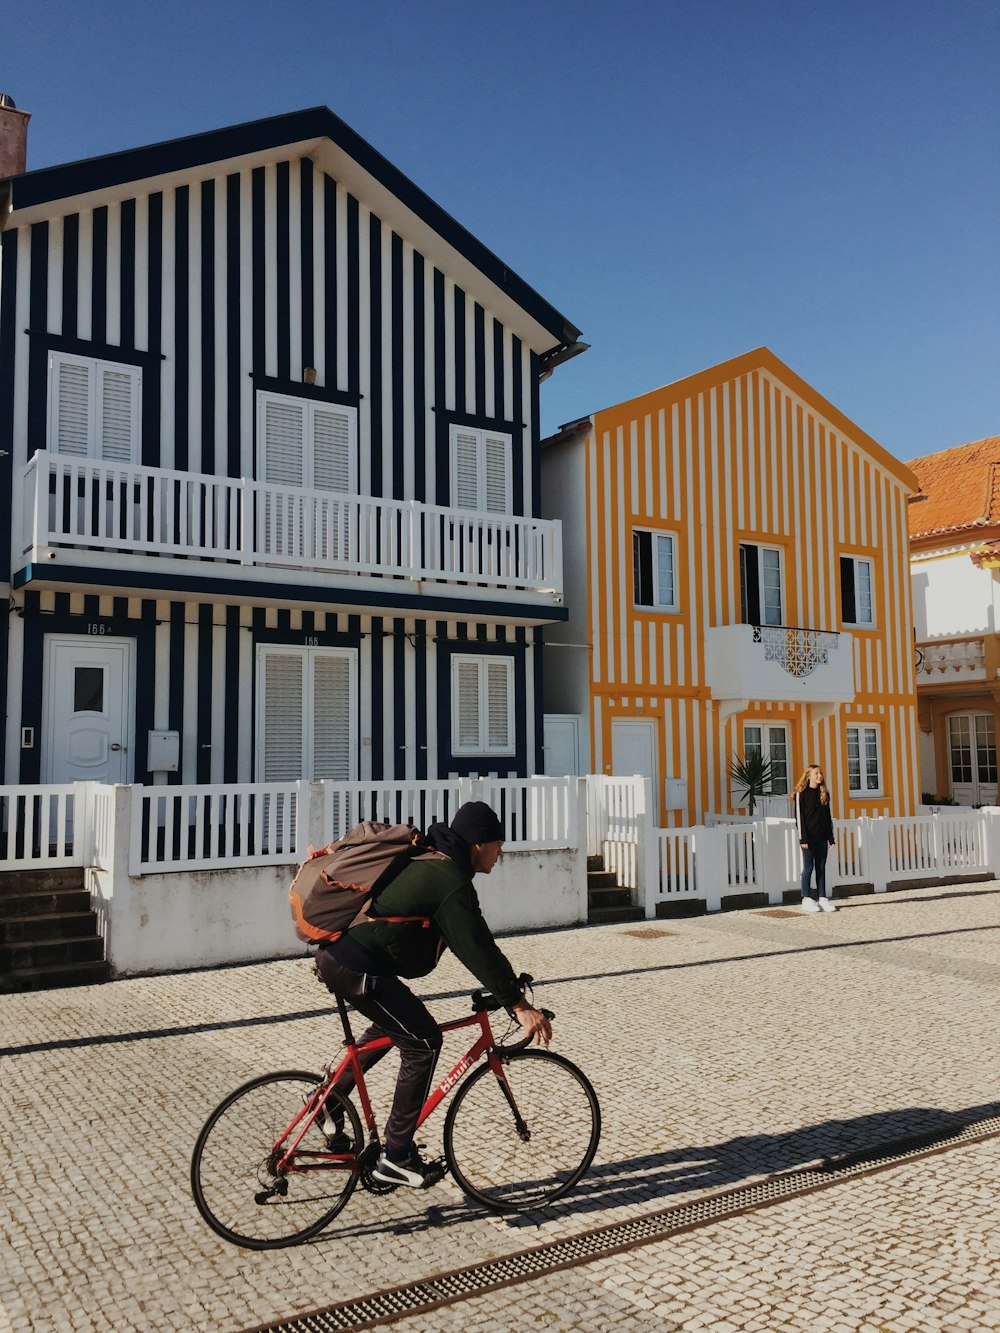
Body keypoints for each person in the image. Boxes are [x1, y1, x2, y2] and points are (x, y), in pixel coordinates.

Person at [314, 800, 552, 1188]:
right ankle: (396, 1155)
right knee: (424, 1040)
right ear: (478, 844)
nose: (501, 853)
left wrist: (507, 992)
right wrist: (518, 1003)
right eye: (498, 844)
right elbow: (475, 945)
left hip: (344, 957)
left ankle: (329, 1102)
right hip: (354, 964)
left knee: (395, 1023)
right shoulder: (449, 879)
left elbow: (467, 943)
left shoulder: (435, 860)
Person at [793, 764, 837, 913]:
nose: (820, 776)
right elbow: (799, 818)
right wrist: (803, 839)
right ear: (808, 776)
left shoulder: (824, 793)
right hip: (808, 839)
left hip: (822, 837)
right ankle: (806, 898)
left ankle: (822, 898)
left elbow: (827, 817)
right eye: (816, 773)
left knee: (821, 868)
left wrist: (830, 838)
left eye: (821, 773)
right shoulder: (802, 793)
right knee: (808, 868)